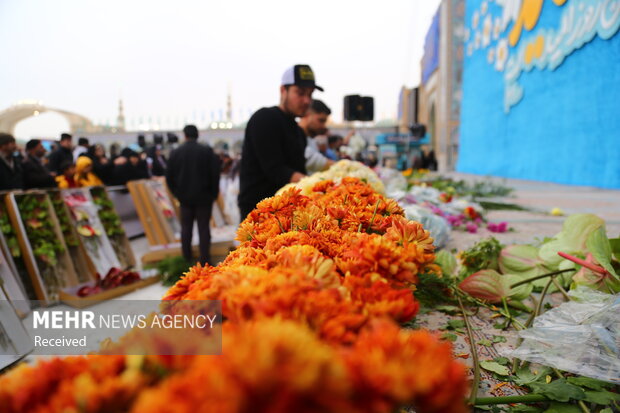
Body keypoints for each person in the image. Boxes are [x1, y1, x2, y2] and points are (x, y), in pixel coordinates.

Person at [239, 64, 323, 219]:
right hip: (259, 213)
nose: (306, 100)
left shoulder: (298, 131)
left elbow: (297, 168)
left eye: (310, 95)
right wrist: (319, 184)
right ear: (283, 90)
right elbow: (276, 170)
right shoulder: (265, 118)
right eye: (300, 93)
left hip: (288, 213)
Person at [166, 125, 220, 265]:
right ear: (198, 135)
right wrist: (213, 194)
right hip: (204, 196)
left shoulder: (176, 153)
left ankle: (186, 258)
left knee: (186, 228)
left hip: (184, 198)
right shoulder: (206, 152)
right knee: (203, 228)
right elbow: (215, 174)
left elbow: (169, 177)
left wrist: (177, 194)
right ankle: (205, 260)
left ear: (185, 135)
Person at [298, 99, 334, 174]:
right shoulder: (292, 137)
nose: (323, 126)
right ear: (307, 114)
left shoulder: (311, 140)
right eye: (321, 120)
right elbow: (314, 160)